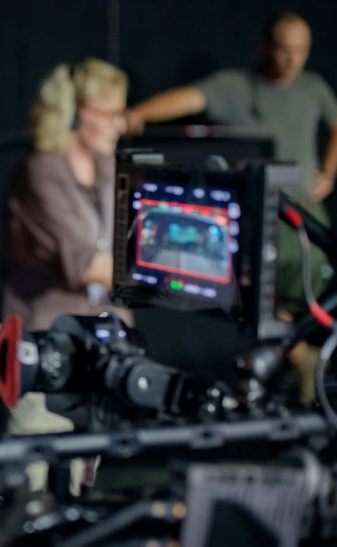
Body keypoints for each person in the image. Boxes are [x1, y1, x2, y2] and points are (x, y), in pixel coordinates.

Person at [124, 12, 337, 325]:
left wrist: (328, 172)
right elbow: (189, 98)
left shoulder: (313, 87)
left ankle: (302, 354)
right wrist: (137, 114)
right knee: (255, 299)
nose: (292, 59)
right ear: (265, 46)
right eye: (283, 49)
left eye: (300, 50)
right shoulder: (235, 86)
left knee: (316, 287)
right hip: (258, 215)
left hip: (304, 209)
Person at [2, 58, 128, 436]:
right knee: (35, 476)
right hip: (48, 345)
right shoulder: (42, 171)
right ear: (73, 114)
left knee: (85, 476)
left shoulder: (109, 166)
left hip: (101, 342)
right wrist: (166, 272)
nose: (119, 124)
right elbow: (86, 264)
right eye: (109, 114)